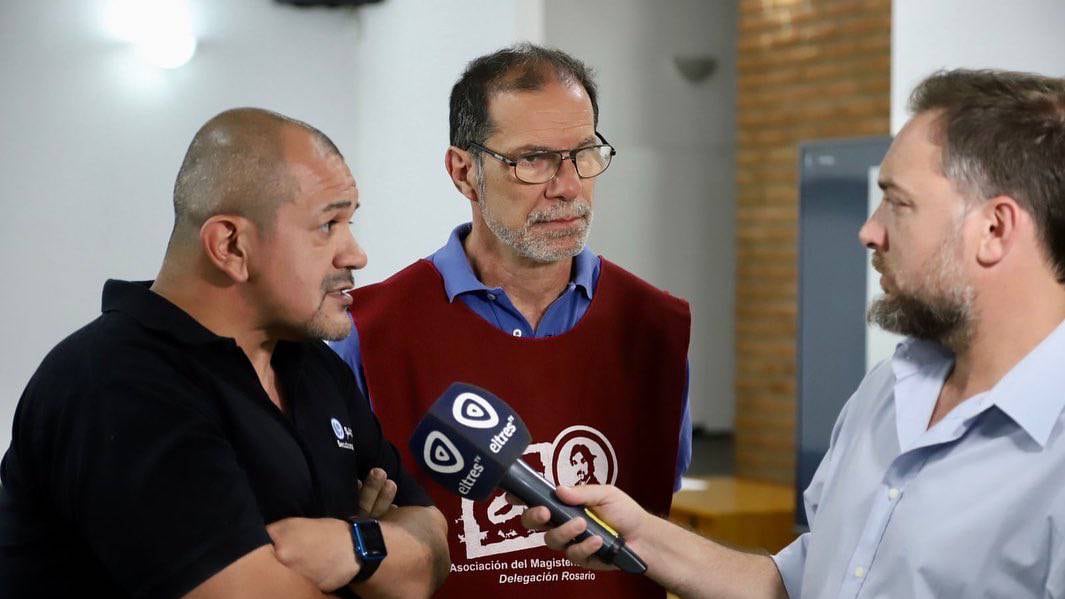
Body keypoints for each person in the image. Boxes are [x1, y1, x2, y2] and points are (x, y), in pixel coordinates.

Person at [523, 68, 1065, 598]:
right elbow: (799, 582)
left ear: (994, 230)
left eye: (899, 203)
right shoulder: (889, 392)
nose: (869, 230)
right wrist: (640, 534)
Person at [0, 108, 449, 598]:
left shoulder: (313, 364)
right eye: (328, 225)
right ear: (230, 245)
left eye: (350, 221)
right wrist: (383, 556)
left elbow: (431, 551)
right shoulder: (117, 382)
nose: (355, 254)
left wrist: (351, 545)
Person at [328, 43, 691, 597]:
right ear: (463, 172)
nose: (568, 186)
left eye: (585, 153)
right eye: (534, 159)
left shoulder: (656, 328)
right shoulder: (366, 330)